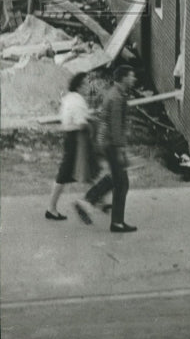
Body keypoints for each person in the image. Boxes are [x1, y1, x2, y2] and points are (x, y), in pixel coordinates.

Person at [76, 65, 137, 233]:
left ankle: (89, 201)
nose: (134, 79)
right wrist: (119, 149)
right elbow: (116, 126)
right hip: (111, 144)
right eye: (131, 76)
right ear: (123, 78)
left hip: (106, 142)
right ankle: (114, 221)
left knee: (116, 178)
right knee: (122, 183)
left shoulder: (114, 93)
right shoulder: (117, 97)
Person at [46, 72, 97, 220]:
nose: (88, 87)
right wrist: (91, 124)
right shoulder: (79, 101)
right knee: (72, 170)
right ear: (80, 86)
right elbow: (81, 124)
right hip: (77, 138)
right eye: (86, 84)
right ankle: (52, 208)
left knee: (77, 169)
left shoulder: (69, 97)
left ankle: (97, 199)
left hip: (70, 137)